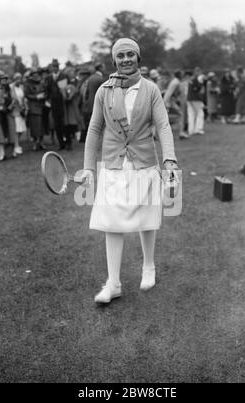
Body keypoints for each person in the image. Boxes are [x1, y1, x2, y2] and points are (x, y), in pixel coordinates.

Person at [80, 38, 179, 304]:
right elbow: (94, 129)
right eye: (120, 55)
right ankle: (113, 284)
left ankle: (149, 267)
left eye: (130, 55)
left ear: (138, 58)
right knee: (112, 223)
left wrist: (169, 159)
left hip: (145, 162)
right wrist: (89, 167)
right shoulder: (104, 90)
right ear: (114, 60)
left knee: (147, 216)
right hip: (114, 164)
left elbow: (163, 126)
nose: (126, 59)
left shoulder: (151, 89)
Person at [0, 71, 16, 160]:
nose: (4, 80)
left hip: (9, 113)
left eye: (5, 79)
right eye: (2, 79)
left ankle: (12, 151)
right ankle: (1, 152)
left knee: (11, 132)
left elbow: (14, 99)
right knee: (0, 133)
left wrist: (10, 106)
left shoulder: (9, 88)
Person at [79, 63, 105, 143]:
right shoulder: (99, 79)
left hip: (88, 104)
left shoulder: (91, 78)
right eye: (103, 67)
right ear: (100, 68)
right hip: (97, 104)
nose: (104, 69)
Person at [45, 59, 67, 149]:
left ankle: (67, 141)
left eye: (56, 66)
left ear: (58, 67)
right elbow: (47, 90)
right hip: (53, 103)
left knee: (65, 123)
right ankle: (61, 143)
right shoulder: (49, 78)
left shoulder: (63, 76)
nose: (55, 68)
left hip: (62, 102)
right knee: (57, 124)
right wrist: (48, 100)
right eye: (53, 66)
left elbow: (65, 89)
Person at [61, 66, 83, 150]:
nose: (74, 74)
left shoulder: (76, 82)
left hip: (74, 106)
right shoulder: (65, 84)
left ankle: (73, 139)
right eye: (72, 73)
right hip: (68, 108)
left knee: (74, 123)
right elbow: (66, 95)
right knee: (68, 124)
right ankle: (68, 141)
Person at [24, 68, 46, 150]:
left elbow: (45, 91)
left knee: (42, 126)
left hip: (42, 107)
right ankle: (35, 142)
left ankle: (41, 142)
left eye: (37, 74)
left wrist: (44, 95)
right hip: (33, 107)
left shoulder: (41, 83)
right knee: (34, 126)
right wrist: (36, 97)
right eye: (34, 74)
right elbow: (27, 94)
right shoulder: (28, 84)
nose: (36, 76)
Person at [163, 69, 189, 139]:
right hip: (170, 102)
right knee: (180, 115)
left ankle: (156, 134)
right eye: (181, 74)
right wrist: (166, 103)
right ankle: (181, 133)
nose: (183, 75)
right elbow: (169, 93)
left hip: (169, 101)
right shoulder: (176, 82)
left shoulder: (175, 81)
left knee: (166, 118)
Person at [10, 72, 27, 155]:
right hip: (15, 110)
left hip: (21, 110)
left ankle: (17, 143)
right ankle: (16, 146)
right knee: (17, 129)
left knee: (22, 129)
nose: (18, 80)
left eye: (20, 79)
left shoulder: (21, 87)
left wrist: (24, 106)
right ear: (14, 79)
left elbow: (23, 98)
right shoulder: (11, 87)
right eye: (17, 79)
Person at [186, 67, 206, 136]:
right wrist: (201, 84)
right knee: (200, 113)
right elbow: (196, 89)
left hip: (189, 98)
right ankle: (198, 129)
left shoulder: (191, 79)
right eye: (199, 72)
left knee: (191, 114)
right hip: (196, 99)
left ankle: (191, 130)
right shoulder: (196, 79)